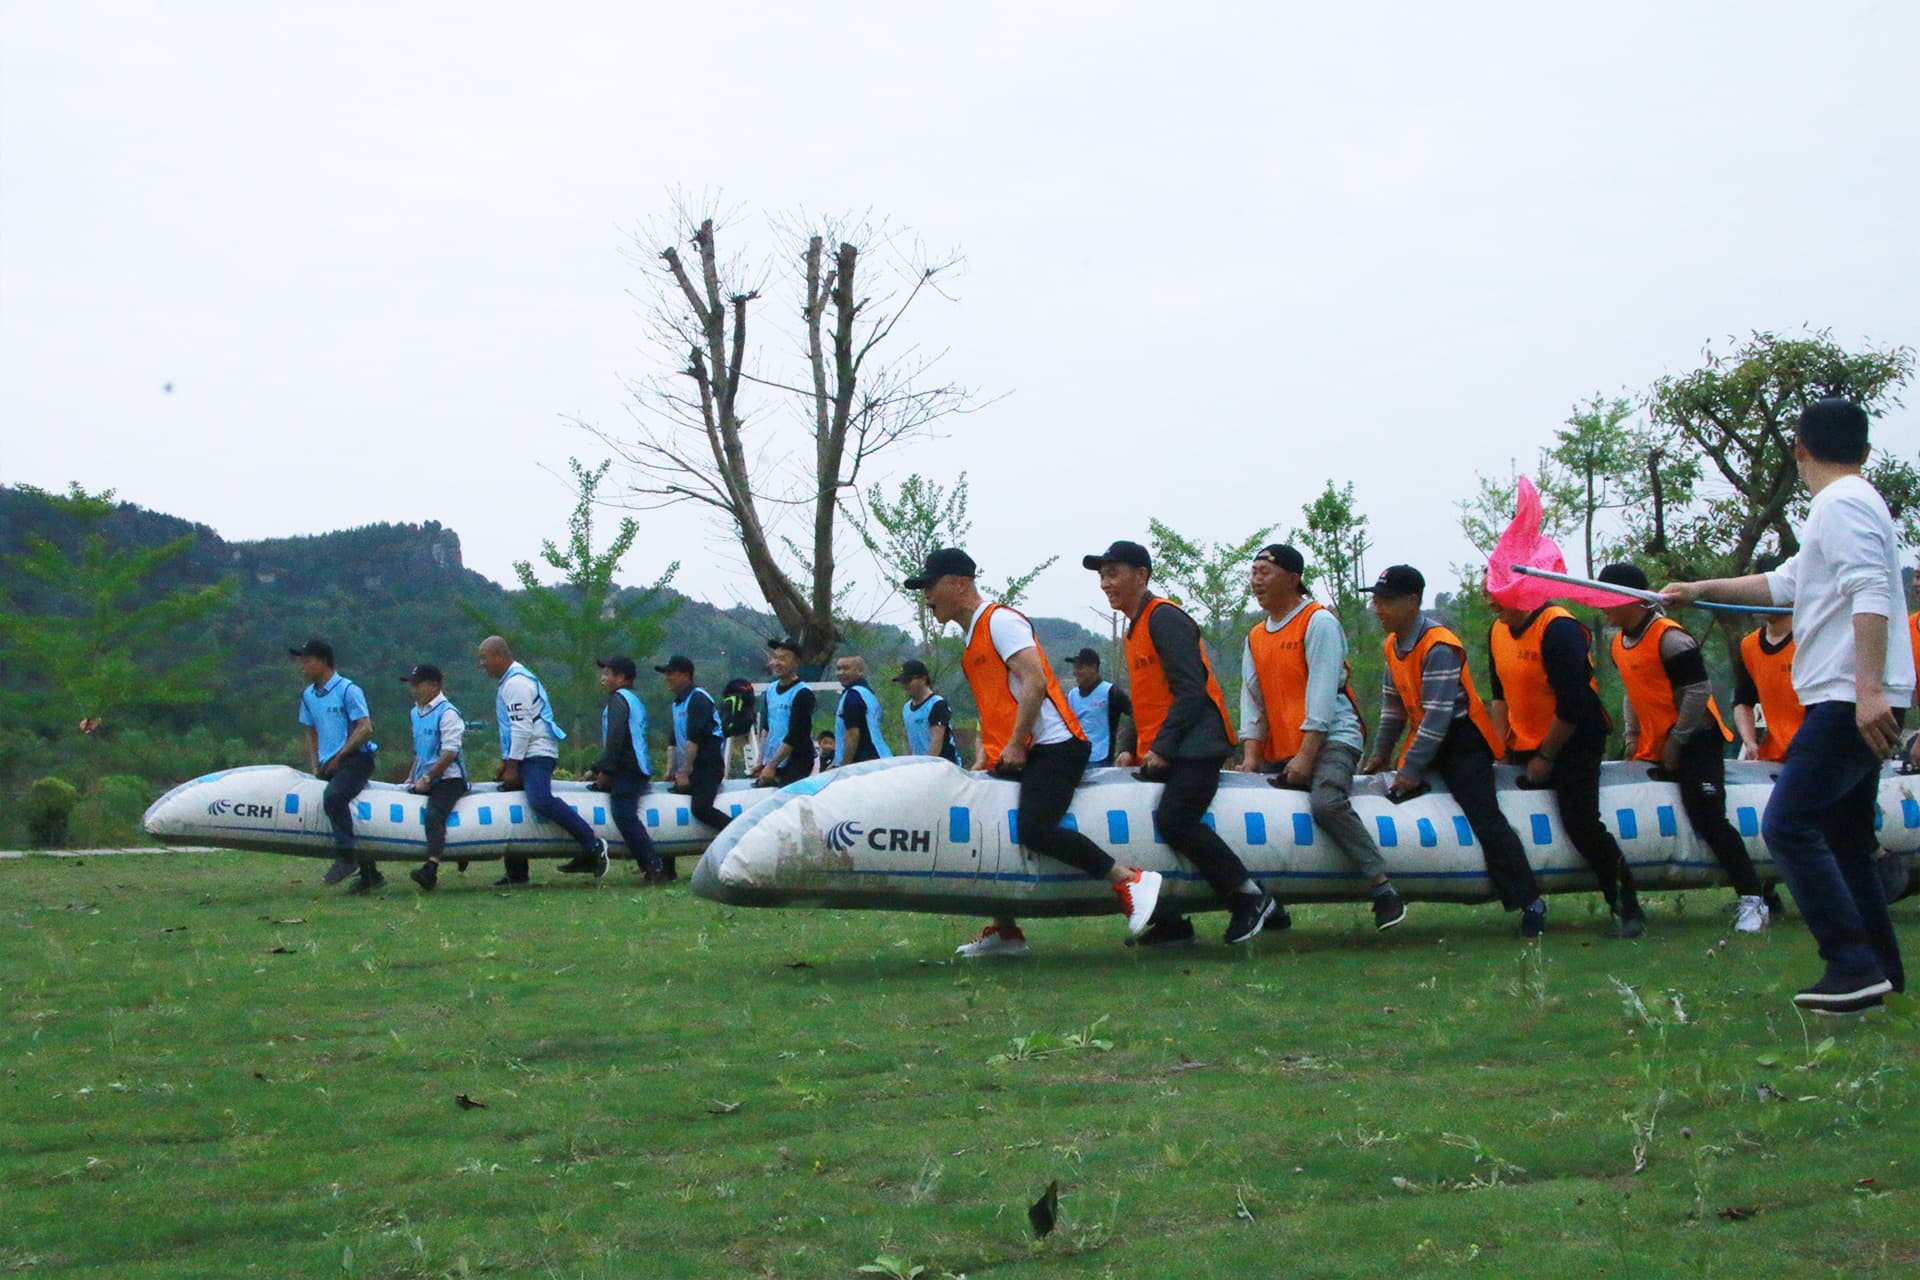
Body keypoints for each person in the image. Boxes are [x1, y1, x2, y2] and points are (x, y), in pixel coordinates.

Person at [1663, 397, 1913, 1014]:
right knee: (1846, 837)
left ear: (1799, 448)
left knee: (1787, 824)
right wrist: (1698, 589)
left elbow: (1871, 590)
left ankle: (1850, 964)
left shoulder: (1841, 503)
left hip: (1847, 698)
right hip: (1853, 696)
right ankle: (1880, 971)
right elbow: (1785, 584)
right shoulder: (1849, 503)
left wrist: (1869, 690)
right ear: (1865, 450)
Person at [907, 546, 1161, 957]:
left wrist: (1014, 743)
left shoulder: (1001, 622)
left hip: (1057, 747)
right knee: (988, 826)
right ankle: (1006, 931)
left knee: (1035, 830)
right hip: (1019, 749)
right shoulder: (971, 640)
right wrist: (986, 755)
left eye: (930, 586)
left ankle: (1129, 879)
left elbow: (1035, 681)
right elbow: (996, 704)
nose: (927, 596)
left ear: (960, 583)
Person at [1090, 540, 1277, 946]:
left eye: (1113, 573)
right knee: (1141, 820)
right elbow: (1142, 699)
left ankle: (1249, 896)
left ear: (1142, 575)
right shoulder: (1134, 629)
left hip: (1197, 745)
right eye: (1102, 576)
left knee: (1176, 819)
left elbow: (1191, 689)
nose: (1105, 583)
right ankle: (1172, 920)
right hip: (1169, 746)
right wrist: (1128, 746)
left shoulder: (1164, 618)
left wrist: (1163, 748)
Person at [1360, 566, 1547, 936]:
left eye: (1386, 601)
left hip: (1463, 743)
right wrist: (1380, 754)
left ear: (1412, 601)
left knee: (1485, 817)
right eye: (1376, 600)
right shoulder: (1392, 645)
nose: (1377, 608)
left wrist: (1411, 769)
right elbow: (1393, 708)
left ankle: (1531, 901)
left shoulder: (1439, 645)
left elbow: (1438, 715)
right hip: (1429, 739)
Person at [1237, 543, 1402, 930]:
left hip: (1332, 738)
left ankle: (1383, 888)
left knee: (1327, 802)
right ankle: (1269, 903)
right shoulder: (1255, 636)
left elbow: (1322, 695)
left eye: (1265, 572)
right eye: (1254, 572)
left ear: (1293, 579)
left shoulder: (1318, 622)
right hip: (1284, 744)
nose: (1256, 580)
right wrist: (1251, 758)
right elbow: (1252, 700)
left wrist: (1306, 756)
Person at [1596, 565, 1769, 932]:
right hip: (1658, 742)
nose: (1601, 605)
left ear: (1630, 599)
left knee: (1709, 817)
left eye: (1606, 597)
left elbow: (1697, 691)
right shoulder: (1618, 644)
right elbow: (1633, 690)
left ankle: (1754, 899)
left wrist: (1677, 741)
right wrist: (1632, 737)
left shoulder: (1671, 639)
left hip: (1697, 741)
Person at [1486, 584, 1643, 937]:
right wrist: (1501, 748)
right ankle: (1527, 902)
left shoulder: (1559, 629)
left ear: (1519, 592)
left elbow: (1573, 705)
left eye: (1495, 592)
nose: (1490, 602)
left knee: (1582, 824)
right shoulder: (1497, 630)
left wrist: (1546, 756)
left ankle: (1627, 908)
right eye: (1487, 592)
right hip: (1526, 740)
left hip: (1575, 739)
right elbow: (1499, 697)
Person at [476, 636, 609, 887]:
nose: (482, 664)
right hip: (526, 752)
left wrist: (512, 766)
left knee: (539, 798)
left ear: (498, 656)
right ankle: (517, 872)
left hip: (536, 752)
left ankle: (592, 844)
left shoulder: (516, 683)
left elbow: (522, 729)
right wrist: (506, 761)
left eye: (484, 658)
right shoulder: (511, 681)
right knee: (513, 802)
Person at [289, 638, 380, 891]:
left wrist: (340, 756)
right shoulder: (308, 696)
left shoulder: (348, 690)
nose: (302, 667)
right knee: (336, 805)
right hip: (328, 763)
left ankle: (347, 858)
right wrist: (316, 764)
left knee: (335, 797)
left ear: (322, 662)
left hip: (355, 759)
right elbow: (311, 731)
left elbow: (365, 728)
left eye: (307, 661)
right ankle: (371, 874)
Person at [590, 656, 663, 880]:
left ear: (621, 678)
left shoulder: (619, 699)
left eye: (607, 673)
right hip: (631, 765)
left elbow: (616, 738)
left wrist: (605, 771)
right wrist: (597, 768)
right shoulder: (629, 699)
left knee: (624, 815)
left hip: (629, 768)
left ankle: (652, 864)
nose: (602, 678)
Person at [659, 655, 732, 864]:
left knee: (701, 808)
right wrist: (670, 770)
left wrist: (684, 773)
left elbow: (694, 740)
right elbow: (674, 741)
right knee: (669, 809)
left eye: (671, 673)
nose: (667, 677)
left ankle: (738, 834)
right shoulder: (677, 703)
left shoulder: (698, 698)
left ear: (686, 675)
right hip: (692, 767)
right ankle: (667, 868)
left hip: (707, 767)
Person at [401, 664, 468, 893]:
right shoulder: (415, 712)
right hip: (425, 776)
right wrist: (411, 778)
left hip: (449, 778)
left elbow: (449, 754)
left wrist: (428, 779)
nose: (413, 689)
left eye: (417, 684)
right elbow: (419, 751)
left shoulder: (448, 713)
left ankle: (431, 868)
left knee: (434, 813)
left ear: (434, 685)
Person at [1734, 611, 1803, 762]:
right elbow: (1743, 701)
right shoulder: (1749, 645)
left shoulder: (1808, 639)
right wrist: (1750, 742)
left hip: (1814, 749)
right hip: (1775, 754)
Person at [756, 638, 818, 786]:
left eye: (783, 659)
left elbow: (795, 735)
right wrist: (761, 761)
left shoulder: (803, 693)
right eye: (775, 657)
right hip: (773, 760)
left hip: (796, 761)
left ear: (796, 662)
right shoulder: (770, 689)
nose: (777, 663)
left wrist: (772, 765)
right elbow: (766, 728)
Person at [1066, 648, 1133, 767]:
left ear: (1093, 668)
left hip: (1101, 758)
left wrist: (1126, 746)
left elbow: (1135, 714)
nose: (1075, 672)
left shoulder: (1111, 692)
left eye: (1079, 667)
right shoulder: (1072, 695)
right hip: (1075, 758)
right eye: (1074, 668)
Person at [895, 659, 962, 764]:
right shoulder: (906, 708)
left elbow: (937, 741)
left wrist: (926, 766)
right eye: (902, 682)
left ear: (923, 679)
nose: (904, 685)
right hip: (919, 767)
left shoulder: (937, 704)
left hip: (943, 765)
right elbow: (907, 741)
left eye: (908, 680)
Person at [832, 655, 894, 765]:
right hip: (880, 756)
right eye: (838, 668)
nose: (840, 673)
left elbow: (852, 734)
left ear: (860, 671)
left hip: (864, 761)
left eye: (846, 668)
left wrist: (845, 766)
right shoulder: (868, 693)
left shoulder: (853, 696)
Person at [719, 677, 758, 778]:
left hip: (732, 729)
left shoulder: (729, 701)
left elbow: (724, 724)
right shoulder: (747, 698)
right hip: (746, 725)